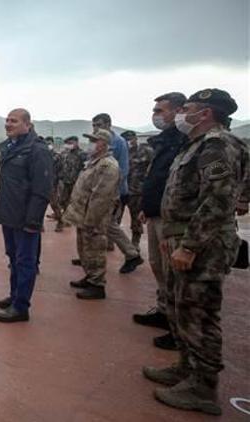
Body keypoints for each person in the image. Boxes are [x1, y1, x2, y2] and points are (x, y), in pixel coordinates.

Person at [143, 89, 247, 416]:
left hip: (204, 245)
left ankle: (203, 388)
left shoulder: (218, 145)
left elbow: (218, 201)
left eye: (186, 109)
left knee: (199, 313)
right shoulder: (198, 144)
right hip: (183, 237)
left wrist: (188, 245)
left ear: (204, 114)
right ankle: (186, 368)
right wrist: (172, 236)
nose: (179, 114)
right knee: (181, 307)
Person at [131, 92, 187, 351]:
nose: (156, 115)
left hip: (173, 218)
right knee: (157, 265)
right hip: (156, 212)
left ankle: (178, 327)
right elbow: (157, 177)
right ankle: (164, 311)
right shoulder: (165, 141)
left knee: (173, 272)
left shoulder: (187, 141)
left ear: (178, 110)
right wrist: (146, 206)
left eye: (161, 110)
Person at [0, 109, 53, 322]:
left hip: (26, 218)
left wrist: (33, 221)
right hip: (9, 214)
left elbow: (42, 189)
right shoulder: (12, 147)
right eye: (7, 120)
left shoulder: (37, 150)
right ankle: (15, 296)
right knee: (13, 258)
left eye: (13, 121)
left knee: (25, 261)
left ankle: (21, 307)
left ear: (27, 124)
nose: (8, 124)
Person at [63, 129, 120, 300]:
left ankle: (97, 284)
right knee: (85, 248)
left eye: (94, 140)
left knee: (95, 249)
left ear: (104, 143)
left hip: (94, 218)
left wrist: (91, 220)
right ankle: (90, 276)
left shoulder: (107, 165)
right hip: (83, 215)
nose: (90, 143)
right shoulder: (94, 162)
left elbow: (101, 197)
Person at [92, 113, 143, 273]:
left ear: (108, 124)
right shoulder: (96, 140)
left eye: (99, 124)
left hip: (113, 192)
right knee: (100, 224)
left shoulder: (118, 142)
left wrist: (112, 192)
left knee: (109, 225)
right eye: (93, 125)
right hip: (98, 190)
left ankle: (131, 254)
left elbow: (123, 169)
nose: (95, 127)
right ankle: (90, 256)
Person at [122, 130, 153, 250]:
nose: (129, 142)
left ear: (135, 139)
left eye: (131, 139)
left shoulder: (146, 151)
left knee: (135, 218)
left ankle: (135, 241)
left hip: (137, 190)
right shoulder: (122, 152)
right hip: (122, 189)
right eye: (127, 140)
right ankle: (111, 240)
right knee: (114, 217)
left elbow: (152, 169)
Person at [57, 136, 87, 231]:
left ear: (76, 142)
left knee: (76, 203)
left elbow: (85, 168)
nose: (69, 145)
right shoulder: (65, 153)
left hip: (76, 183)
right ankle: (65, 219)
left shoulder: (82, 154)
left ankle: (76, 221)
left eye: (71, 143)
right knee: (63, 201)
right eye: (67, 143)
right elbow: (61, 166)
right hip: (65, 182)